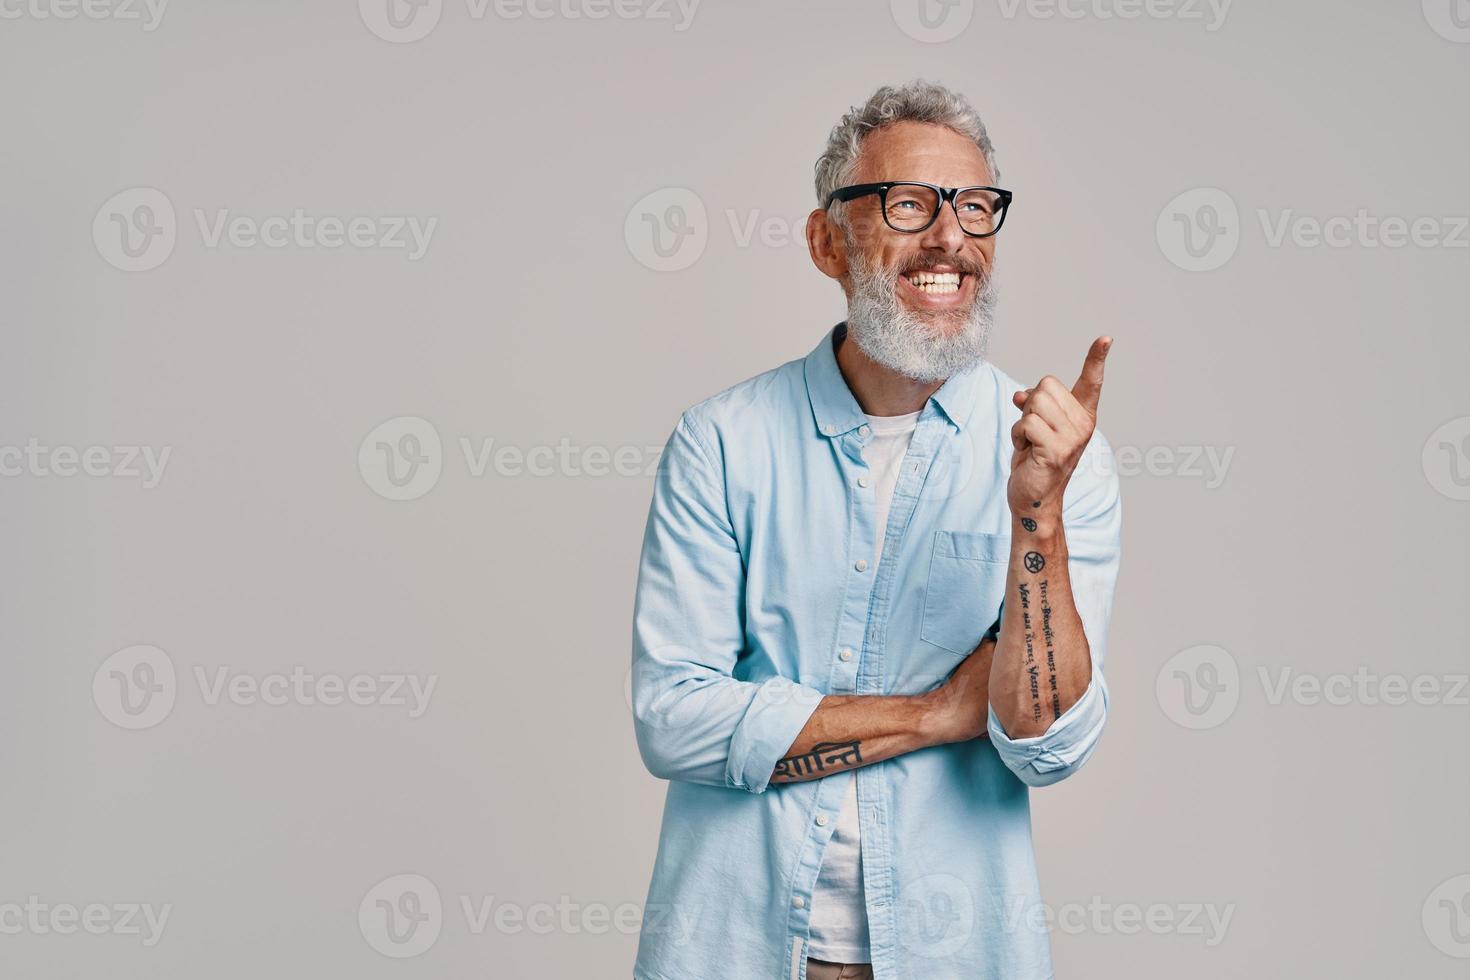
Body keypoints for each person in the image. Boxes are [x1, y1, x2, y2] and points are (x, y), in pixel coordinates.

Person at [629, 79, 1122, 980]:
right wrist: (938, 713)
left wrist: (1037, 515)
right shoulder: (723, 443)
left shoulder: (1058, 458)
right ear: (827, 241)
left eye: (975, 209)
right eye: (909, 204)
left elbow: (1047, 744)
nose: (950, 239)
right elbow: (673, 721)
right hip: (732, 954)